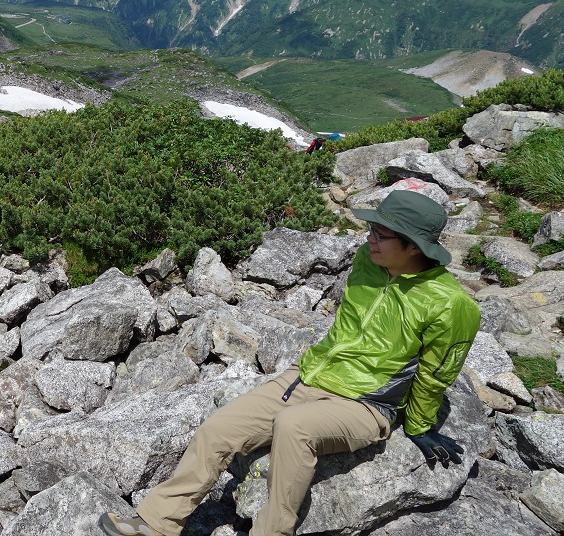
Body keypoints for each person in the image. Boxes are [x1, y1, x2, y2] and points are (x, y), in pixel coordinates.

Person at [99, 190, 481, 536]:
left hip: (366, 404)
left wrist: (419, 425)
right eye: (371, 229)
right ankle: (155, 524)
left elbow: (436, 372)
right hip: (308, 376)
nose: (369, 239)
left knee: (294, 427)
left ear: (413, 246)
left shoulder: (450, 304)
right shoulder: (369, 260)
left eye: (381, 234)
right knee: (218, 429)